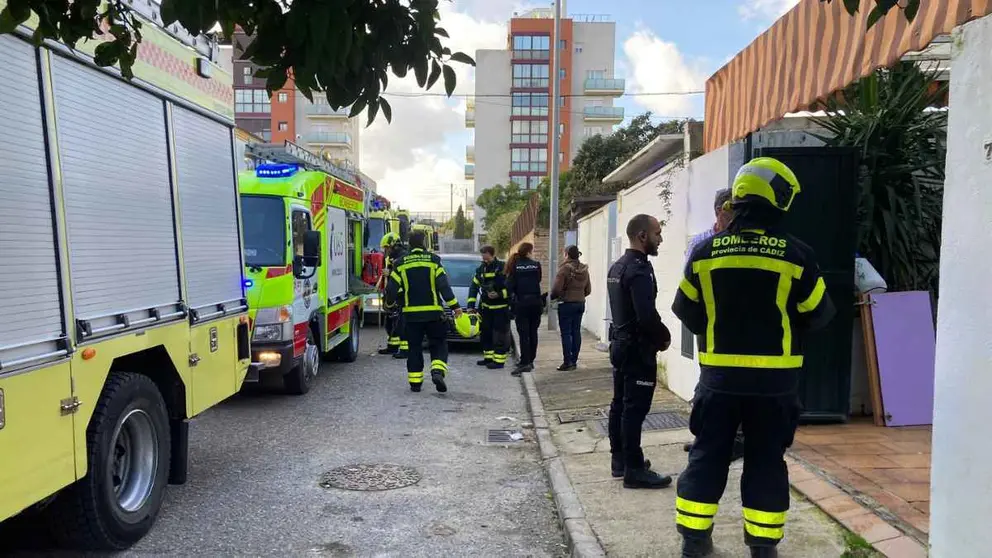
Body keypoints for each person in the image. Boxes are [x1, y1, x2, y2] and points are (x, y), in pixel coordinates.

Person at [672, 158, 836, 558]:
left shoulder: (706, 252)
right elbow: (820, 314)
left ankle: (695, 542)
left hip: (719, 382)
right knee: (765, 462)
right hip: (774, 386)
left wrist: (718, 335)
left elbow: (685, 309)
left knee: (708, 455)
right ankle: (763, 548)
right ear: (778, 199)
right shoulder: (797, 255)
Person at [606, 215, 674, 489]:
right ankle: (634, 469)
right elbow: (646, 315)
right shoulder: (639, 269)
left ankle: (620, 460)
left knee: (620, 404)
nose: (660, 239)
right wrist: (664, 337)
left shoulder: (617, 267)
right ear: (642, 236)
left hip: (620, 345)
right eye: (657, 233)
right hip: (637, 349)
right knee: (634, 409)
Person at [683, 188, 746, 460]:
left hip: (740, 328)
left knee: (740, 382)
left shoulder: (746, 242)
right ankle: (707, 437)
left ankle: (737, 439)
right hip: (709, 329)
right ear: (721, 212)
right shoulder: (701, 243)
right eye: (733, 212)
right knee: (709, 382)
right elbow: (687, 291)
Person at [384, 230, 462, 393]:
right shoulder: (434, 261)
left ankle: (415, 383)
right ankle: (437, 371)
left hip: (411, 316)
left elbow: (392, 289)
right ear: (424, 243)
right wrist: (455, 307)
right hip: (434, 314)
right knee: (438, 343)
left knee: (414, 348)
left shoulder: (401, 263)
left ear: (409, 244)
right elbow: (443, 286)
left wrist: (389, 304)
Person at [468, 245, 511, 369]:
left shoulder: (502, 267)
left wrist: (499, 294)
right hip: (486, 308)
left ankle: (499, 361)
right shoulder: (481, 269)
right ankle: (488, 358)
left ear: (490, 253)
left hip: (500, 308)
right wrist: (471, 305)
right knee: (486, 334)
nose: (482, 257)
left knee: (499, 335)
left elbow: (511, 287)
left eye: (484, 254)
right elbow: (474, 287)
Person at [506, 242, 544, 376]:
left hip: (522, 303)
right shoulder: (536, 265)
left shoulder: (514, 266)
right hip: (536, 302)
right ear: (529, 252)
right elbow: (538, 280)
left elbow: (509, 285)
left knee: (524, 334)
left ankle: (525, 362)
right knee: (533, 332)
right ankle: (530, 360)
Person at [550, 245, 590, 371]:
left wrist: (554, 297)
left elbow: (556, 289)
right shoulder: (584, 269)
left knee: (566, 333)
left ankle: (567, 362)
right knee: (576, 332)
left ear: (566, 254)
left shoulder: (564, 269)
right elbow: (588, 290)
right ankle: (574, 361)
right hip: (580, 304)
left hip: (567, 304)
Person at [377, 232, 409, 358]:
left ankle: (405, 350)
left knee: (401, 324)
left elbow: (402, 274)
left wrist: (389, 272)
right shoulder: (392, 258)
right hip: (393, 294)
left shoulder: (403, 257)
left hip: (402, 296)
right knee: (390, 323)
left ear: (394, 246)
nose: (386, 251)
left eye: (387, 248)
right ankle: (392, 347)